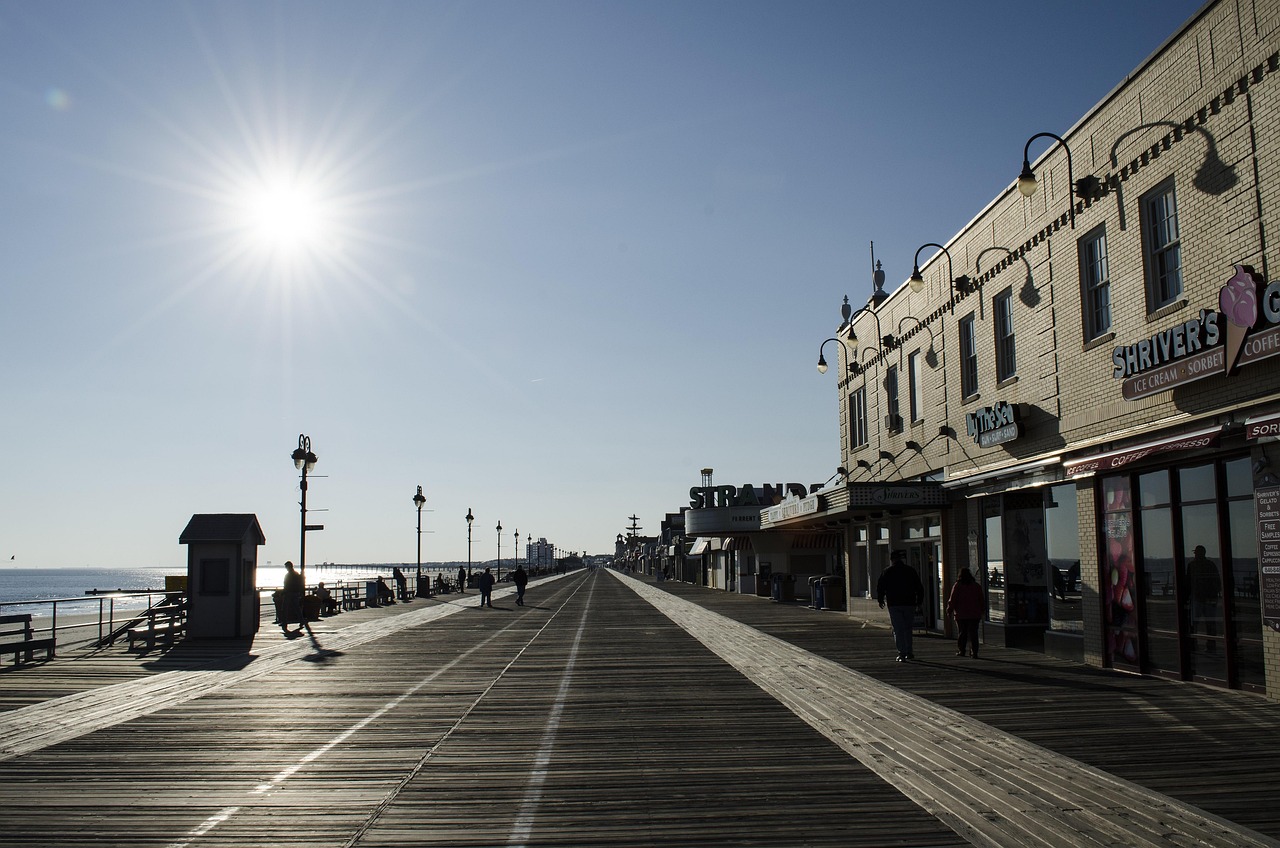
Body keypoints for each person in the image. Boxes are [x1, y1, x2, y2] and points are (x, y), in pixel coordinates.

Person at [876, 549, 924, 661]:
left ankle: (901, 653)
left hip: (894, 603)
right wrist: (919, 601)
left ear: (892, 559)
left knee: (898, 629)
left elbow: (880, 587)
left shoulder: (887, 571)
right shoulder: (910, 571)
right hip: (909, 603)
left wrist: (880, 599)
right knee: (908, 628)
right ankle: (909, 651)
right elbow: (919, 587)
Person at [1187, 545, 1222, 649]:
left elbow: (1188, 582)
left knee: (1194, 623)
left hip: (1197, 597)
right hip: (1209, 597)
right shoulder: (1210, 565)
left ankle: (1194, 643)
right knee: (1210, 623)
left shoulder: (1192, 565)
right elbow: (1217, 580)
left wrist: (1187, 596)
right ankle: (1211, 644)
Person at [946, 567, 985, 658]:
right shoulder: (976, 586)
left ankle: (962, 650)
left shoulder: (957, 586)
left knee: (962, 633)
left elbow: (953, 599)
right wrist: (982, 610)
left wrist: (949, 610)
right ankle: (974, 652)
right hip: (974, 614)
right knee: (973, 633)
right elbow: (981, 599)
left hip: (961, 614)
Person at [280, 561, 304, 634]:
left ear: (288, 567)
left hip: (289, 593)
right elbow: (300, 583)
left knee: (285, 609)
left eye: (286, 567)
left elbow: (286, 585)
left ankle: (284, 623)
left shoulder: (288, 575)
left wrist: (283, 592)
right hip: (295, 593)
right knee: (296, 607)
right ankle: (301, 620)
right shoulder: (296, 574)